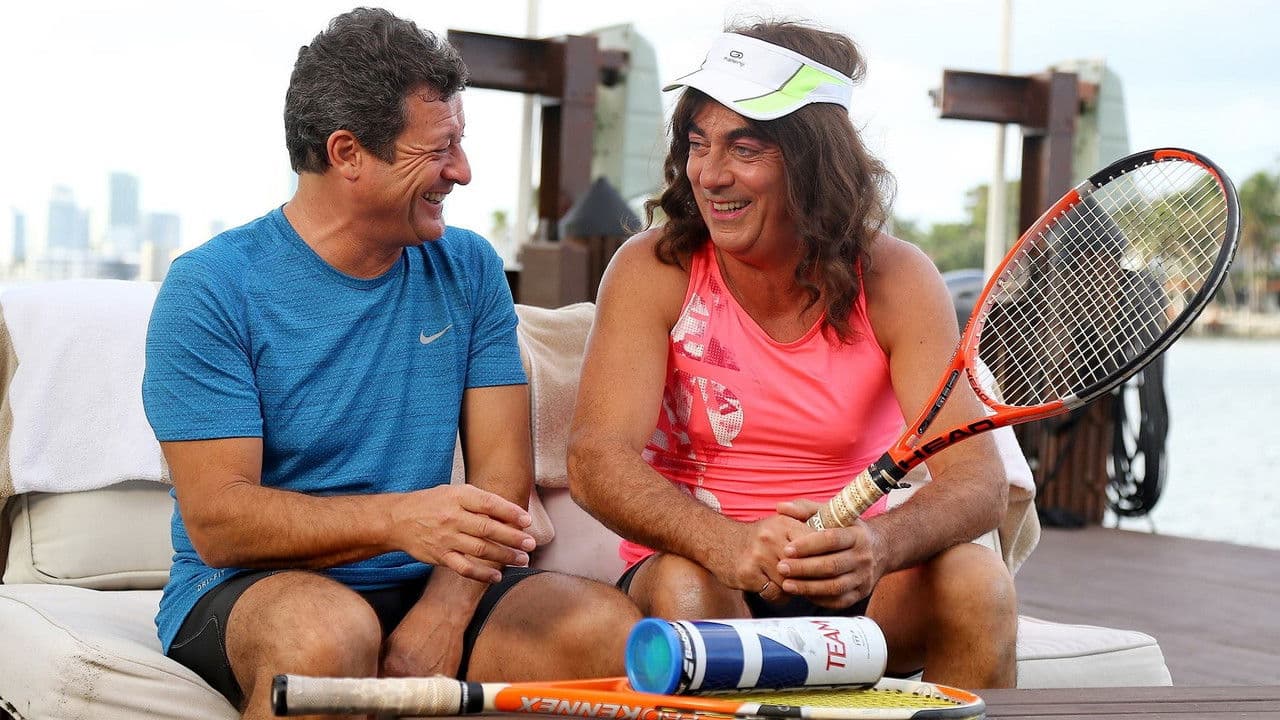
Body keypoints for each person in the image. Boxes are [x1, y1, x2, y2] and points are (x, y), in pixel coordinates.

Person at [142, 8, 640, 719]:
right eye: (439, 149)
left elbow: (501, 478)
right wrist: (401, 520)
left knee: (608, 635)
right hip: (251, 586)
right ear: (347, 153)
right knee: (327, 641)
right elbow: (220, 521)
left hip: (429, 582)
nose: (462, 171)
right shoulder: (211, 288)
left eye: (460, 143)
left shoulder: (468, 267)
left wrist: (443, 612)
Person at [567, 20, 1017, 689]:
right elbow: (594, 459)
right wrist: (727, 543)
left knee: (978, 582)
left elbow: (978, 480)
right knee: (691, 590)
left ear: (812, 160)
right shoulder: (652, 267)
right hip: (703, 569)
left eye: (745, 149)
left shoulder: (898, 278)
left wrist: (879, 544)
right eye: (697, 144)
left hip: (856, 581)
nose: (709, 175)